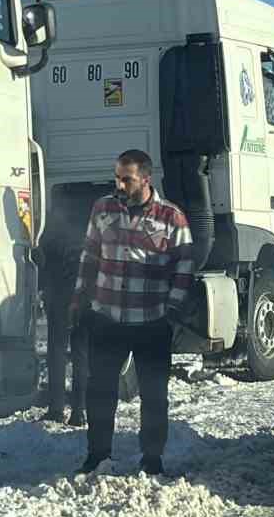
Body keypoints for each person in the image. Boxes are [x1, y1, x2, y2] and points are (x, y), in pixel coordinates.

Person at [70, 149, 196, 476]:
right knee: (100, 392)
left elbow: (184, 267)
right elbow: (89, 256)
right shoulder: (103, 209)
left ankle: (152, 458)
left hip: (151, 321)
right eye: (117, 178)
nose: (120, 185)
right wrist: (80, 300)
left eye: (127, 179)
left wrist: (172, 312)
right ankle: (97, 455)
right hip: (107, 318)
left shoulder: (171, 217)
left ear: (146, 179)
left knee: (154, 396)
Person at [39, 197, 89, 427]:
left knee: (57, 354)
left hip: (60, 299)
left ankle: (57, 408)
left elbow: (45, 267)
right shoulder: (89, 237)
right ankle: (79, 411)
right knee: (81, 356)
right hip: (83, 301)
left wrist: (45, 293)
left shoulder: (51, 234)